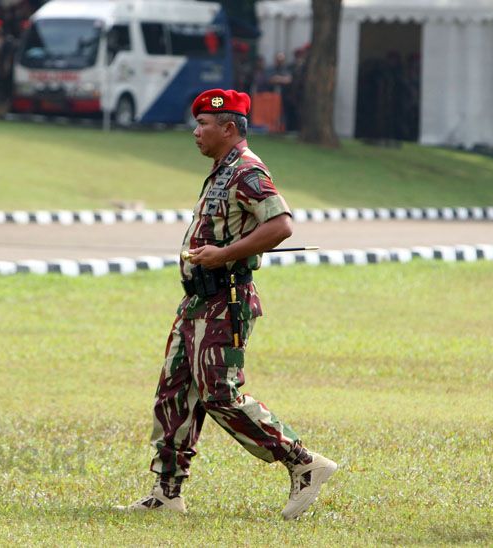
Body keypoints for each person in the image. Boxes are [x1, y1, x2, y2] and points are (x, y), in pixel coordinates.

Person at [116, 88, 337, 520]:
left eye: (203, 125)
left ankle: (303, 462)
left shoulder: (247, 171)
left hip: (226, 299)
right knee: (174, 395)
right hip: (197, 302)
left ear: (229, 128)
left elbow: (281, 224)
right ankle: (166, 493)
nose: (196, 132)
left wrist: (224, 253)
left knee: (220, 394)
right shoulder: (221, 171)